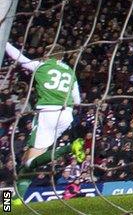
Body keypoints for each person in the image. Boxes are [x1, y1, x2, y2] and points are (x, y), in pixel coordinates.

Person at [4, 42, 85, 203]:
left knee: (28, 162)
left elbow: (19, 57)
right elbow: (78, 100)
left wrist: (3, 41)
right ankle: (15, 200)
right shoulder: (70, 72)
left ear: (47, 55)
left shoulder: (42, 65)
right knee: (27, 162)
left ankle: (70, 147)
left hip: (47, 113)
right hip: (66, 115)